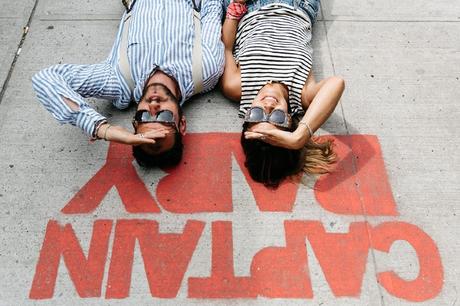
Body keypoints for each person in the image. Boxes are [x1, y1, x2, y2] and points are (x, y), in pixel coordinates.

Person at [32, 0, 225, 167]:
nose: (154, 106)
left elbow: (46, 78)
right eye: (163, 116)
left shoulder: (118, 80)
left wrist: (101, 128)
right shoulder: (205, 69)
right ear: (181, 124)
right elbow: (212, 9)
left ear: (135, 119)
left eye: (144, 117)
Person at [221, 0, 345, 187]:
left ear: (246, 116)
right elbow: (337, 83)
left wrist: (237, 5)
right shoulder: (301, 94)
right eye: (277, 118)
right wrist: (298, 138)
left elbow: (227, 47)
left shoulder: (236, 86)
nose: (268, 106)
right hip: (298, 6)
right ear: (289, 119)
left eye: (257, 114)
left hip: (251, 7)